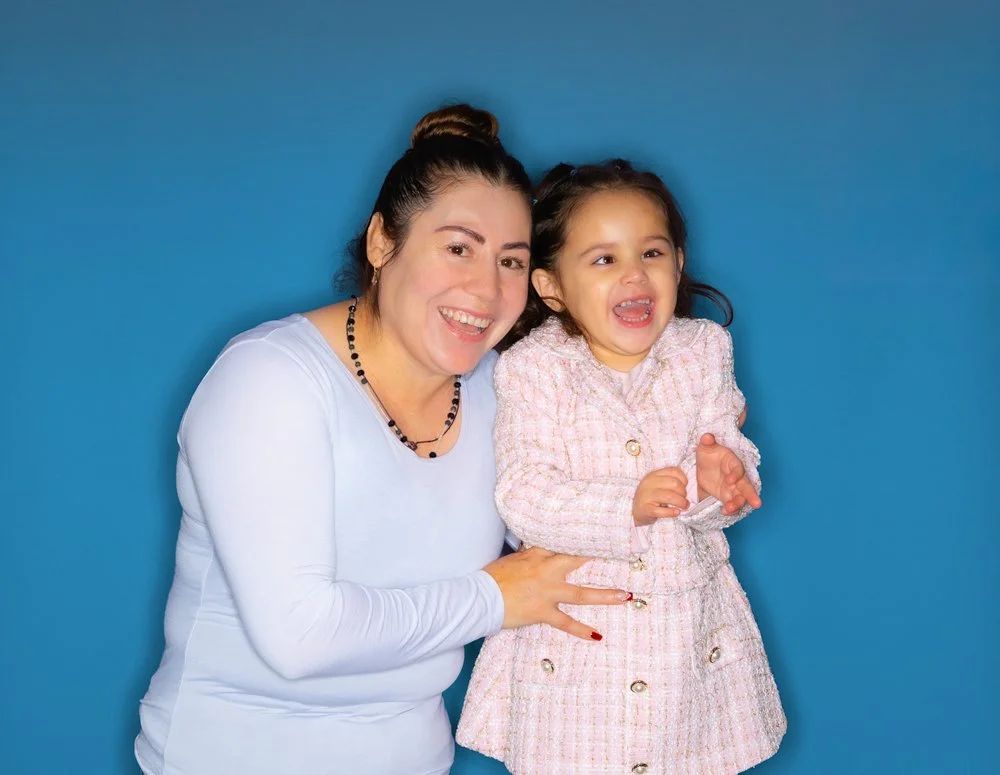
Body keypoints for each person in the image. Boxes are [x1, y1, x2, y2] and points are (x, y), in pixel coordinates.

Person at [133, 105, 636, 775]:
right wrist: (492, 598)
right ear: (381, 242)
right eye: (458, 247)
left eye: (511, 261)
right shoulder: (270, 381)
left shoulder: (507, 391)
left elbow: (575, 549)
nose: (485, 289)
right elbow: (299, 635)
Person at [456, 160, 786, 774]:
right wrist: (623, 506)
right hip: (577, 637)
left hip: (685, 635)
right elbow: (524, 492)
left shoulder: (702, 350)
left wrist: (722, 479)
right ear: (551, 286)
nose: (635, 274)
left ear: (679, 263)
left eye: (652, 253)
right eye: (604, 259)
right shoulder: (535, 367)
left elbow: (726, 463)